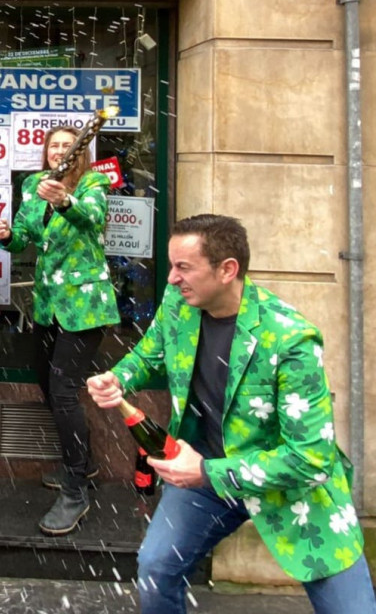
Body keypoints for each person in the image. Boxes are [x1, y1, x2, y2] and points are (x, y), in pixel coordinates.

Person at [87, 214, 374, 614]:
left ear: (227, 270)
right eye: (171, 265)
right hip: (203, 471)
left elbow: (310, 459)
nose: (171, 278)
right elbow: (151, 355)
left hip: (290, 486)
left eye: (184, 267)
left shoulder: (291, 338)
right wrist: (118, 378)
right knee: (156, 569)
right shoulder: (179, 303)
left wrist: (207, 471)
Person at [0, 125, 120, 536]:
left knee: (63, 391)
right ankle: (84, 462)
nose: (59, 151)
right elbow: (25, 236)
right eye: (53, 146)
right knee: (46, 382)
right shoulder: (33, 185)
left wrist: (64, 200)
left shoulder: (94, 183)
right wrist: (8, 237)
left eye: (67, 146)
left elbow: (91, 219)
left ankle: (76, 490)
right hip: (48, 304)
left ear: (80, 152)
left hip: (85, 305)